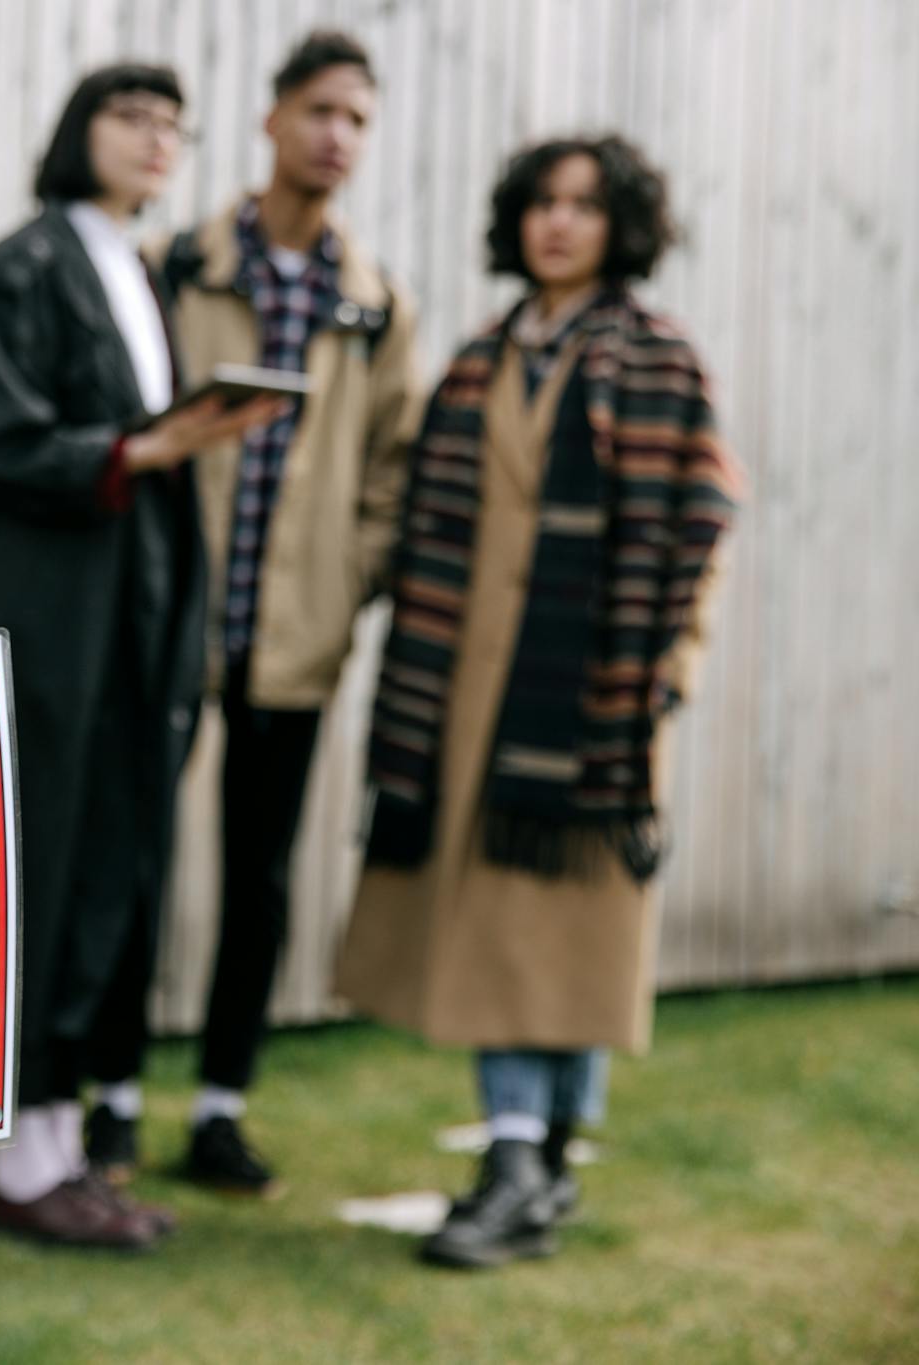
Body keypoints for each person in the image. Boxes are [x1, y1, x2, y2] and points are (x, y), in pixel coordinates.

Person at [333, 133, 741, 1268]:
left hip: (592, 697)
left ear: (622, 227)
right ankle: (526, 1163)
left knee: (563, 939)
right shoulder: (473, 359)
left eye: (584, 206)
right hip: (467, 702)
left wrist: (660, 680)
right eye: (541, 203)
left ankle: (527, 1165)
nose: (557, 224)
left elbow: (701, 526)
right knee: (504, 937)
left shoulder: (657, 357)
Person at [0, 64, 284, 1249]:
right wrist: (153, 446)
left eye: (175, 126)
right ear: (79, 133)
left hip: (121, 631)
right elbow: (6, 439)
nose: (157, 142)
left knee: (105, 871)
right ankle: (21, 1169)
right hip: (42, 631)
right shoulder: (23, 269)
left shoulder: (133, 269)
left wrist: (176, 441)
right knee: (40, 873)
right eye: (133, 119)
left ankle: (64, 1148)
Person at [82, 30, 424, 1196]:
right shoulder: (177, 266)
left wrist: (343, 583)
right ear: (271, 120)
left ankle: (221, 1105)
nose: (337, 136)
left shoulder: (377, 309)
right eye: (320, 110)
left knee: (257, 878)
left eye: (359, 121)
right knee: (134, 862)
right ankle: (112, 1098)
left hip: (295, 643)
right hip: (170, 628)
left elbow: (391, 474)